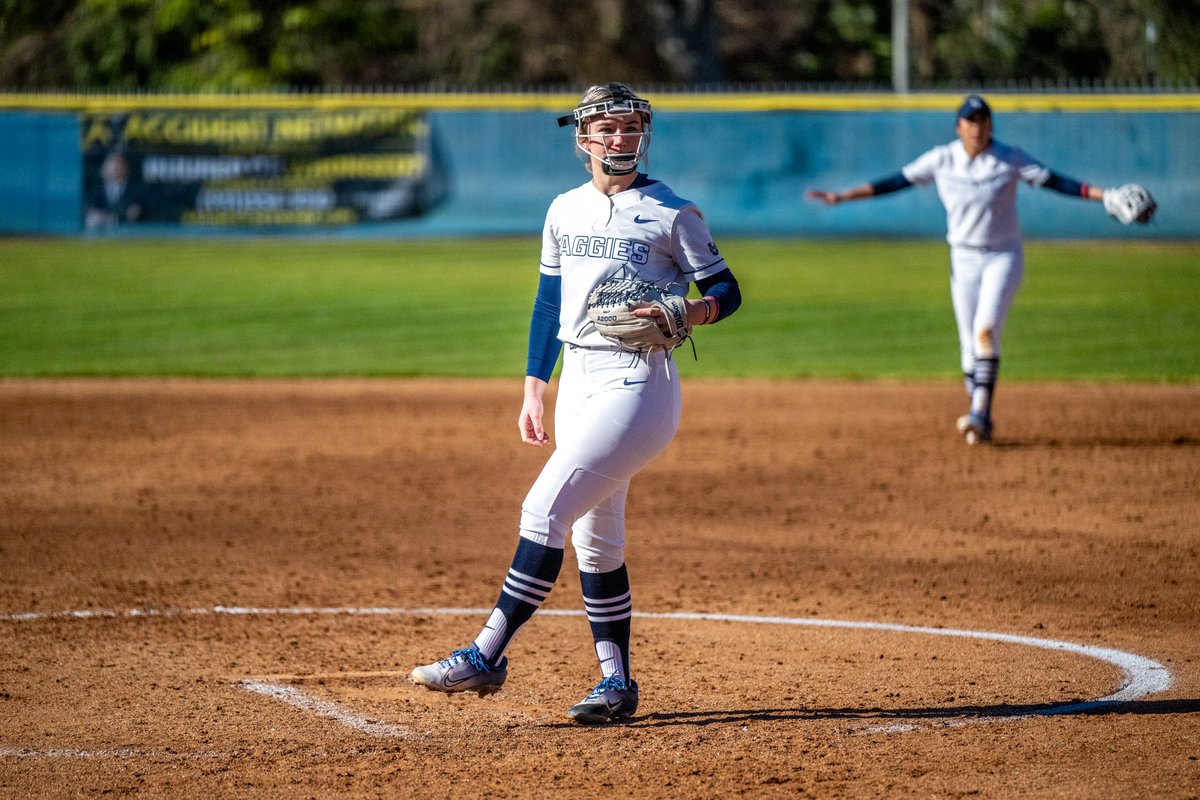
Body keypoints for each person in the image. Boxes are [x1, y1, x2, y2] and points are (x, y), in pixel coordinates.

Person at [410, 82, 742, 723]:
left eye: (631, 126)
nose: (621, 137)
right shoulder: (563, 209)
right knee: (596, 542)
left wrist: (694, 308)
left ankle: (485, 654)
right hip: (579, 381)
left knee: (542, 509)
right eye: (608, 128)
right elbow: (547, 302)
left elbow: (726, 290)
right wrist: (535, 385)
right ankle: (615, 684)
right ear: (584, 138)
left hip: (639, 383)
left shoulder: (672, 212)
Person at [806, 93, 1127, 445]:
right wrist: (841, 197)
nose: (978, 127)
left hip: (1002, 256)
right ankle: (980, 417)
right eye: (971, 121)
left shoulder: (1009, 158)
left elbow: (1057, 182)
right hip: (963, 259)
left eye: (983, 120)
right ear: (958, 126)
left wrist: (1106, 195)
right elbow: (893, 182)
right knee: (968, 346)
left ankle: (979, 412)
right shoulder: (942, 159)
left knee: (985, 331)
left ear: (991, 125)